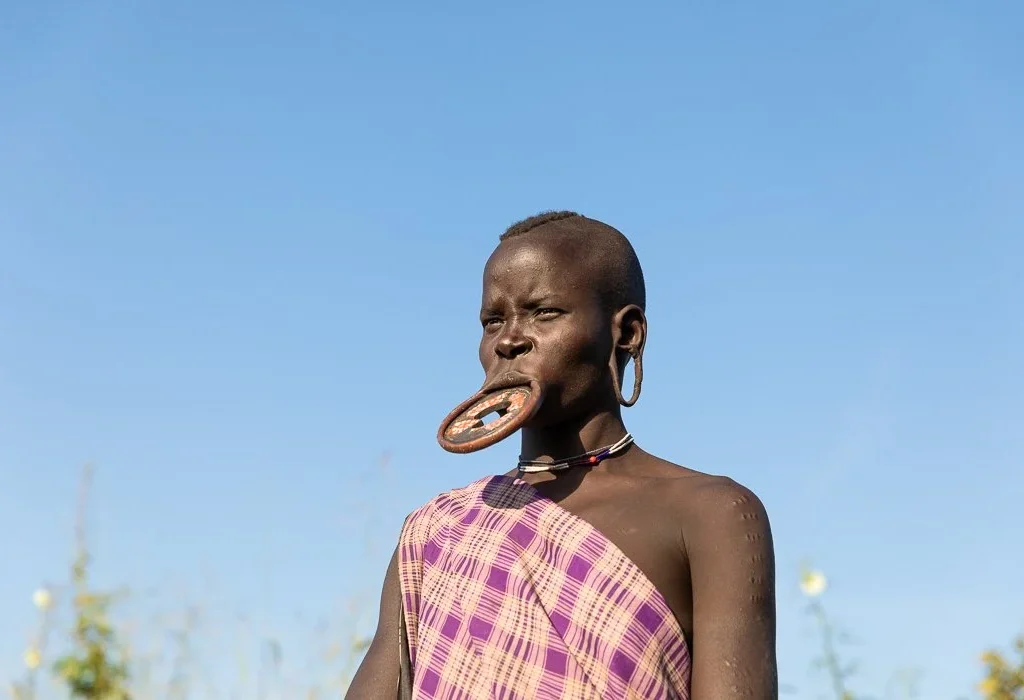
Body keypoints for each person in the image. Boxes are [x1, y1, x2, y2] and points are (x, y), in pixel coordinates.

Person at [346, 212, 777, 699]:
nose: (509, 340)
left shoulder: (709, 513)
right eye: (493, 320)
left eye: (543, 312)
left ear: (627, 333)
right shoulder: (435, 531)